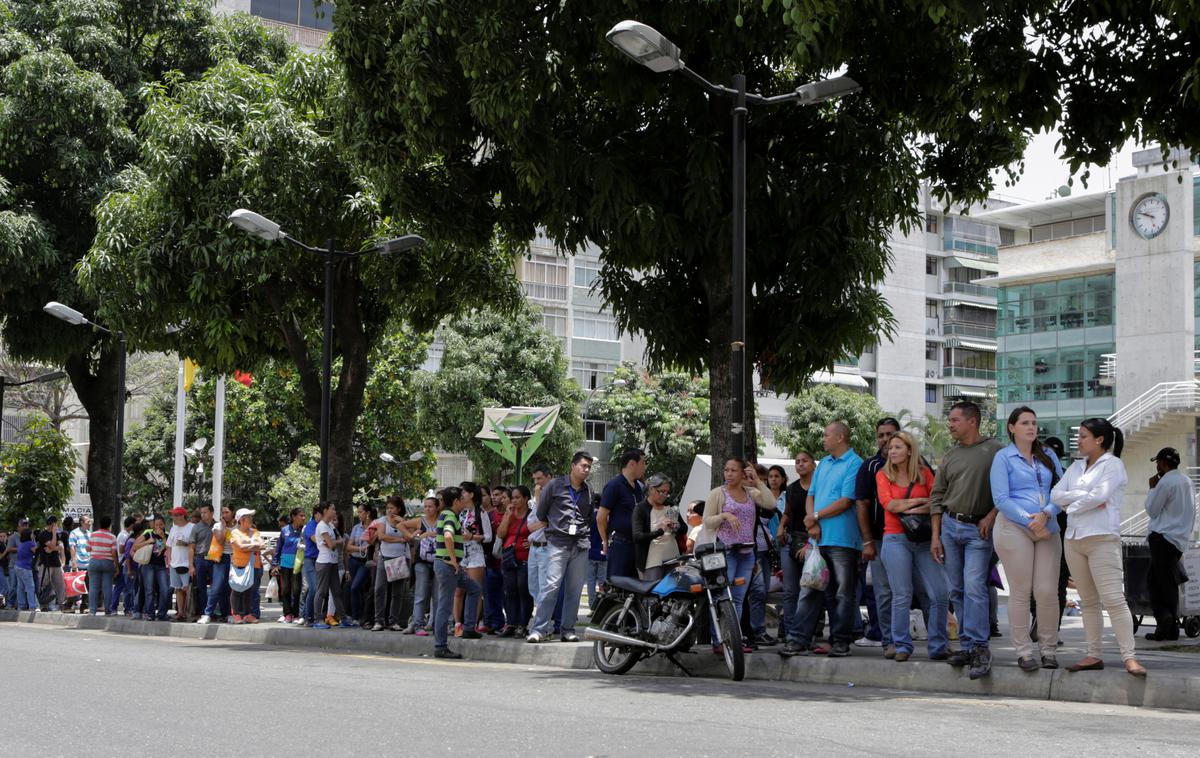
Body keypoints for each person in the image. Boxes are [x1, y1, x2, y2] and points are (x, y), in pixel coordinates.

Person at [1051, 418, 1145, 676]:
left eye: (1082, 436)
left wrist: (1072, 505)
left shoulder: (1113, 465)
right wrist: (1081, 500)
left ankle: (1130, 657)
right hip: (1074, 539)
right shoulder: (1075, 467)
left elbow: (1101, 496)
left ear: (1099, 439)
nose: (1078, 440)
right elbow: (1055, 495)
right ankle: (1093, 655)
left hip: (1102, 538)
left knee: (1113, 599)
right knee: (1089, 601)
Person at [929, 401, 1004, 680]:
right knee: (957, 590)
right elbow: (937, 496)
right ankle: (967, 645)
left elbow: (1007, 490)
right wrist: (936, 535)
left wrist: (992, 515)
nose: (950, 424)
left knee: (975, 587)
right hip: (950, 527)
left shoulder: (996, 451)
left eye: (955, 420)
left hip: (979, 530)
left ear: (973, 421)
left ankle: (981, 647)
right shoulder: (950, 455)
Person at [990, 406, 1064, 671]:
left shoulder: (1049, 455)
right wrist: (1031, 520)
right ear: (1012, 428)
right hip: (1015, 527)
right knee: (1021, 592)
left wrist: (1046, 514)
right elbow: (1001, 499)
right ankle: (1023, 652)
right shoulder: (1003, 458)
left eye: (1034, 422)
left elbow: (1061, 490)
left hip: (1047, 526)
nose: (1031, 427)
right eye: (1024, 423)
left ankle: (1049, 650)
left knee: (1046, 591)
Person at [783, 423, 866, 658]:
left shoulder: (854, 463)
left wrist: (816, 516)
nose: (823, 438)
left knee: (842, 593)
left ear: (840, 437)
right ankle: (798, 639)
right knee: (810, 588)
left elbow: (846, 500)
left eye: (826, 435)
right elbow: (812, 495)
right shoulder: (824, 463)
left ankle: (840, 641)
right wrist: (813, 522)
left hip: (843, 540)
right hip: (818, 539)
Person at [876, 432, 946, 662]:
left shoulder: (925, 474)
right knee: (902, 595)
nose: (892, 451)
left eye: (897, 447)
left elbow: (936, 503)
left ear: (909, 450)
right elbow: (890, 505)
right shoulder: (883, 475)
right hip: (895, 539)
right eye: (890, 448)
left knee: (939, 593)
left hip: (925, 539)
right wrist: (918, 502)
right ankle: (902, 644)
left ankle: (938, 645)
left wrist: (910, 508)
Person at [704, 457, 774, 654]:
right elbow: (707, 521)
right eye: (726, 470)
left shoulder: (751, 493)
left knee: (738, 598)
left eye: (734, 470)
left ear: (743, 473)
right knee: (722, 596)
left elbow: (771, 502)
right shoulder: (718, 493)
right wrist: (725, 516)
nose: (729, 474)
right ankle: (718, 640)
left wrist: (758, 480)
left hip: (747, 553)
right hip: (726, 552)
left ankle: (733, 640)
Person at [527, 451, 596, 644]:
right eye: (583, 465)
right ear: (573, 466)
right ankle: (539, 629)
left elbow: (589, 516)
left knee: (574, 591)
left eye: (589, 467)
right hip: (557, 543)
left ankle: (568, 630)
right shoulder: (555, 485)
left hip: (580, 544)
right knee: (551, 587)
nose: (586, 470)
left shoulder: (588, 490)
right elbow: (542, 514)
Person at [854, 418, 902, 650]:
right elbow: (861, 505)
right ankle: (888, 640)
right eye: (881, 435)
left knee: (920, 592)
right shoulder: (870, 466)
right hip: (881, 539)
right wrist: (868, 541)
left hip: (914, 540)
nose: (885, 440)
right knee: (883, 592)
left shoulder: (918, 464)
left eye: (889, 434)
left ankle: (919, 640)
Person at [1143, 446, 1196, 641]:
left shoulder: (1165, 482)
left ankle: (1165, 620)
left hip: (1162, 538)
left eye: (1158, 463)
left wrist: (1151, 489)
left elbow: (1152, 510)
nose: (1156, 466)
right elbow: (1193, 513)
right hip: (1178, 540)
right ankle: (1170, 626)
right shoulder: (1187, 481)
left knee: (1156, 583)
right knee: (1167, 582)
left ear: (1164, 464)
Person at [433, 486, 481, 658]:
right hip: (448, 566)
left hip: (451, 566)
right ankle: (440, 646)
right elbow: (448, 535)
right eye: (462, 498)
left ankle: (468, 628)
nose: (465, 500)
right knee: (444, 607)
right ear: (455, 501)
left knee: (474, 588)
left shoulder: (450, 515)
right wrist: (453, 560)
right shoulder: (450, 515)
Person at [777, 451, 814, 648]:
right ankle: (790, 632)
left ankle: (806, 632)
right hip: (791, 539)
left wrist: (810, 545)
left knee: (809, 589)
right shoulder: (791, 489)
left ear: (813, 465)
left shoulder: (818, 488)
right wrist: (781, 526)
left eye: (804, 461)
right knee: (790, 590)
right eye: (797, 462)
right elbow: (788, 512)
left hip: (812, 542)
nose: (800, 465)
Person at [597, 449, 647, 581]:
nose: (644, 467)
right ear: (632, 464)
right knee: (617, 584)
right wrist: (605, 540)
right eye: (643, 463)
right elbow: (601, 518)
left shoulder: (640, 487)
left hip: (637, 545)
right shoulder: (614, 485)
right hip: (620, 544)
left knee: (636, 586)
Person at [497, 485, 535, 636]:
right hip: (509, 558)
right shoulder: (510, 514)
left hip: (525, 558)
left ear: (526, 498)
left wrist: (532, 542)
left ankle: (523, 624)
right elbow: (500, 534)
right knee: (510, 591)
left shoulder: (532, 515)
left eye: (518, 497)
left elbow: (539, 532)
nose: (514, 500)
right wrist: (507, 515)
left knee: (523, 589)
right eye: (512, 498)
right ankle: (511, 622)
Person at [455, 482, 490, 637]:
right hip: (460, 554)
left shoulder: (480, 513)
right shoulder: (458, 513)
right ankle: (457, 624)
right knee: (457, 591)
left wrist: (472, 537)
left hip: (475, 553)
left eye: (463, 492)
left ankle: (472, 625)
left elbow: (488, 537)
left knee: (474, 590)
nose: (461, 494)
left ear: (471, 494)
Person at [632, 474, 682, 582]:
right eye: (661, 491)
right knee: (652, 593)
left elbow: (684, 528)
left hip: (672, 558)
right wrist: (660, 531)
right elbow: (637, 536)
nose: (664, 495)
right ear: (651, 489)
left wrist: (676, 527)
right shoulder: (640, 508)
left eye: (667, 493)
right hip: (651, 561)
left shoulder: (671, 506)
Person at [372, 497, 410, 631]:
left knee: (397, 592)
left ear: (399, 509)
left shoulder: (404, 521)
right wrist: (399, 539)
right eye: (388, 508)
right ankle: (379, 620)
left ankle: (393, 621)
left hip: (400, 558)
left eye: (392, 508)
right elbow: (381, 536)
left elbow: (409, 537)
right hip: (385, 557)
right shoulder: (382, 520)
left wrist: (403, 523)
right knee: (379, 589)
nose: (389, 511)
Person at [405, 497, 441, 636]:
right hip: (422, 560)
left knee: (437, 595)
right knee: (420, 594)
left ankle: (437, 624)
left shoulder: (442, 519)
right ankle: (417, 624)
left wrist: (429, 534)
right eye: (425, 506)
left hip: (438, 560)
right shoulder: (420, 521)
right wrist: (411, 536)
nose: (427, 509)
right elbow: (401, 525)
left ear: (437, 507)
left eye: (430, 506)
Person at [313, 503, 350, 628]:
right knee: (321, 591)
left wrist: (336, 541)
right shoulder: (322, 526)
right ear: (325, 511)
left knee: (336, 592)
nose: (335, 511)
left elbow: (337, 541)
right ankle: (317, 619)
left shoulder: (330, 525)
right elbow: (332, 544)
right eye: (332, 509)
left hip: (333, 562)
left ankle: (344, 619)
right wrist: (337, 541)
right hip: (324, 562)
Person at [228, 508, 264, 624]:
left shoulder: (255, 531)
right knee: (238, 590)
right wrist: (254, 545)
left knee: (251, 591)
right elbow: (239, 546)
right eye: (249, 517)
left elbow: (262, 545)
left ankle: (247, 614)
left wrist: (247, 545)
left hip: (255, 565)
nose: (251, 519)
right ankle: (237, 615)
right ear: (242, 520)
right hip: (240, 565)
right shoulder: (234, 533)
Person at [199, 506, 234, 625]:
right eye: (223, 512)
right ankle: (207, 614)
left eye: (227, 512)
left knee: (229, 589)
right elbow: (220, 540)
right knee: (216, 587)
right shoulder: (217, 526)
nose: (224, 514)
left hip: (234, 559)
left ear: (233, 513)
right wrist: (224, 526)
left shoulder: (239, 527)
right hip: (221, 558)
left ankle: (228, 614)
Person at [132, 515, 170, 621]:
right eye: (156, 525)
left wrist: (163, 537)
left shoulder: (167, 535)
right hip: (148, 565)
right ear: (153, 525)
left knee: (165, 589)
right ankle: (150, 613)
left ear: (164, 525)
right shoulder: (148, 534)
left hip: (161, 566)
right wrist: (148, 541)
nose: (158, 527)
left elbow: (169, 548)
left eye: (161, 525)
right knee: (149, 590)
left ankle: (162, 613)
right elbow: (134, 547)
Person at [347, 503, 376, 627]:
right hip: (354, 560)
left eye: (360, 512)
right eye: (358, 512)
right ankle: (358, 616)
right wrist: (361, 549)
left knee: (355, 587)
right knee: (356, 589)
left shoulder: (375, 526)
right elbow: (348, 546)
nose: (359, 515)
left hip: (367, 562)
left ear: (367, 513)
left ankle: (358, 616)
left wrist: (363, 549)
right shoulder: (356, 528)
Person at [165, 506, 195, 621]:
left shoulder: (192, 527)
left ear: (182, 516)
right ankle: (181, 612)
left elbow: (196, 544)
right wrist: (168, 561)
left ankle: (189, 612)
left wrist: (186, 544)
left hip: (186, 563)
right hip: (174, 563)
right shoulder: (173, 529)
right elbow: (169, 546)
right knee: (177, 589)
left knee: (187, 588)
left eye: (176, 515)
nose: (173, 517)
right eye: (173, 515)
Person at [275, 508, 304, 624]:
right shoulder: (284, 530)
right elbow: (278, 548)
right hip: (285, 563)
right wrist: (274, 563)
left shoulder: (304, 530)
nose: (303, 518)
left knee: (297, 590)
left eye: (304, 516)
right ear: (293, 517)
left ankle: (296, 614)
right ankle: (287, 614)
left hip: (298, 564)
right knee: (286, 589)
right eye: (301, 516)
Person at [85, 516, 119, 616]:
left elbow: (88, 549)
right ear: (109, 525)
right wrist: (116, 566)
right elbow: (113, 553)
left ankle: (92, 610)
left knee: (93, 587)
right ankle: (107, 610)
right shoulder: (112, 537)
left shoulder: (93, 535)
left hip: (94, 561)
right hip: (107, 563)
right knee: (107, 587)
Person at [300, 503, 324, 626]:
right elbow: (317, 540)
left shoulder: (324, 525)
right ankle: (308, 617)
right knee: (313, 588)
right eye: (322, 513)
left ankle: (313, 616)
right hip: (310, 560)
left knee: (318, 590)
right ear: (316, 514)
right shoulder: (311, 525)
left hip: (321, 560)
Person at [190, 505, 215, 623]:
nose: (203, 515)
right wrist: (191, 566)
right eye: (202, 512)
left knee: (216, 587)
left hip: (215, 560)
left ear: (211, 513)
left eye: (205, 512)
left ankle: (214, 612)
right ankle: (202, 612)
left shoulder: (218, 526)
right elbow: (191, 548)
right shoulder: (196, 527)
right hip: (200, 559)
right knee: (201, 588)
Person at [36, 515, 66, 612]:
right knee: (44, 585)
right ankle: (43, 605)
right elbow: (54, 545)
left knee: (60, 585)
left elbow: (60, 546)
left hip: (56, 563)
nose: (55, 526)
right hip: (46, 564)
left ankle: (62, 604)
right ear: (52, 524)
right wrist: (53, 535)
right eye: (54, 524)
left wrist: (53, 549)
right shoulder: (43, 534)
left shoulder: (57, 534)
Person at [585, 494, 607, 613]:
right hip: (603, 553)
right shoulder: (605, 517)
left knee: (590, 581)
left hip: (590, 552)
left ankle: (592, 606)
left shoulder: (588, 517)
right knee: (602, 581)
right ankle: (601, 608)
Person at [68, 515, 91, 614]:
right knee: (74, 585)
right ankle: (68, 605)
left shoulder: (90, 534)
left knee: (87, 586)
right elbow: (72, 547)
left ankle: (84, 605)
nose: (89, 523)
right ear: (82, 522)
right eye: (87, 521)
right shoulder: (74, 533)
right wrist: (74, 561)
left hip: (88, 563)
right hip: (78, 563)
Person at [13, 528, 39, 611]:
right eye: (31, 534)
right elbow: (36, 551)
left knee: (20, 587)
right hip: (25, 568)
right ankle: (32, 606)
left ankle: (21, 606)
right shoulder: (30, 544)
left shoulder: (22, 543)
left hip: (17, 566)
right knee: (30, 587)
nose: (33, 535)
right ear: (28, 535)